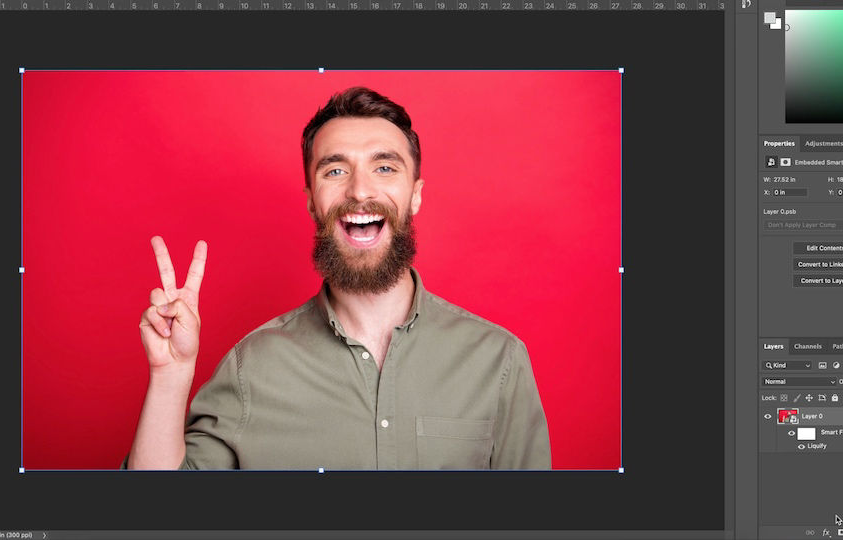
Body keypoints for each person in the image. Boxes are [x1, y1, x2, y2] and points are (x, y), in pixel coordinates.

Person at [125, 87, 550, 470]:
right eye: (334, 171)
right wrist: (170, 376)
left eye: (385, 168)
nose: (360, 191)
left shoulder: (499, 362)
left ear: (415, 194)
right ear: (312, 201)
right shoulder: (250, 368)